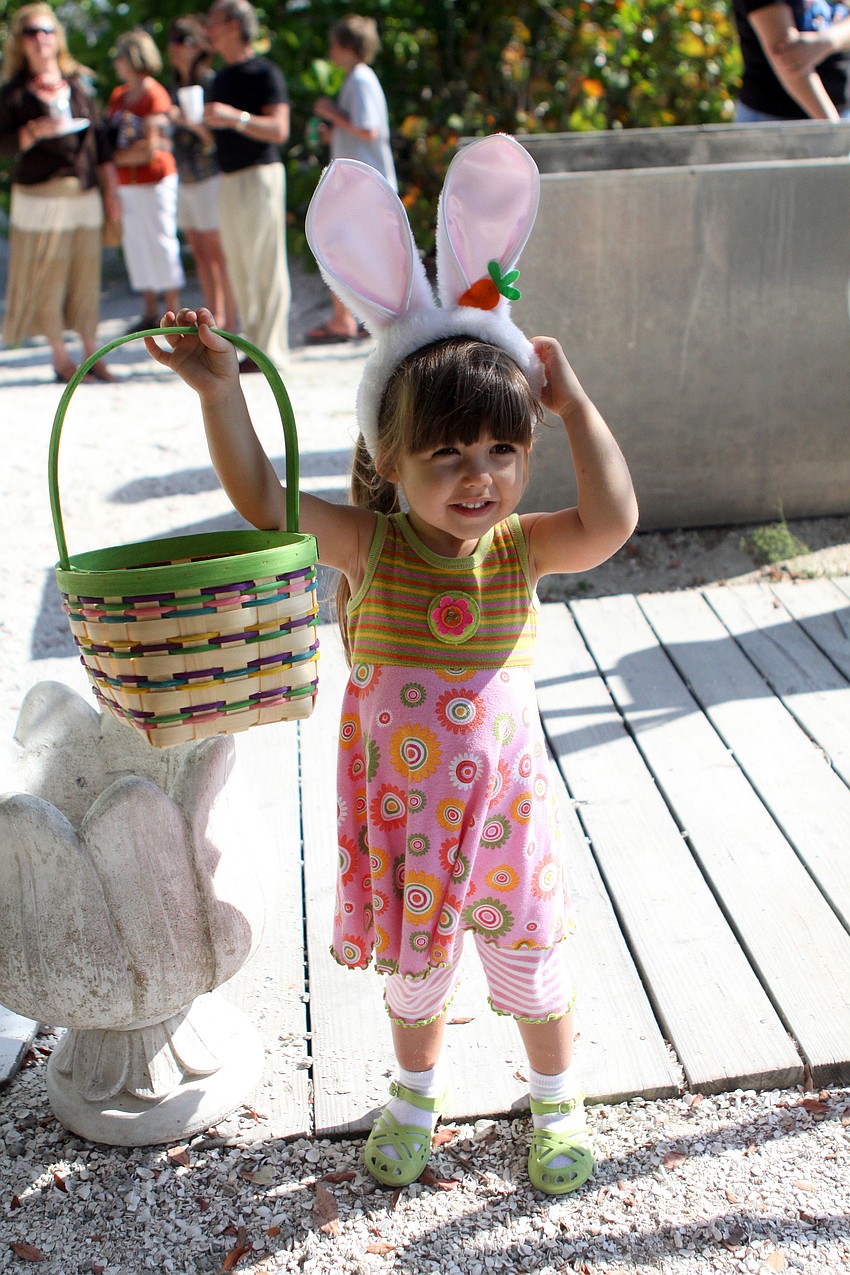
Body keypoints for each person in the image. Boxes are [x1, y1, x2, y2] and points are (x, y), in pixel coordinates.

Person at [145, 135, 638, 1195]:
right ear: (387, 460)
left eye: (501, 451)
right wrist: (220, 392)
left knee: (531, 968)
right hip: (403, 817)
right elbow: (261, 502)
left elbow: (614, 519)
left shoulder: (519, 549)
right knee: (417, 982)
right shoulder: (370, 547)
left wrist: (574, 402)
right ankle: (414, 1095)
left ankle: (556, 1098)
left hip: (502, 814)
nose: (479, 478)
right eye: (446, 455)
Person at [0, 3, 119, 383]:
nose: (41, 39)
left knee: (86, 273)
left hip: (83, 192)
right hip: (38, 195)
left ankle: (90, 353)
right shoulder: (13, 93)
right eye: (32, 32)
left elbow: (101, 143)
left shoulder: (79, 85)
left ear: (58, 36)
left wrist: (111, 193)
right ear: (19, 41)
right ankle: (59, 358)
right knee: (45, 276)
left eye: (47, 30)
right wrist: (34, 131)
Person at [203, 0, 290, 372]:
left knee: (265, 263)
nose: (207, 27)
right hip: (228, 177)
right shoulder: (220, 78)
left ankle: (271, 350)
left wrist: (235, 118)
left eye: (214, 21)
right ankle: (254, 348)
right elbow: (214, 136)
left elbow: (279, 130)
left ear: (235, 25)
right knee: (239, 265)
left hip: (260, 175)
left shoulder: (264, 73)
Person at [307, 14, 396, 344]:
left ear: (348, 46)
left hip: (366, 185)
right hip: (364, 184)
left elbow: (368, 129)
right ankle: (353, 318)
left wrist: (331, 113)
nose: (331, 51)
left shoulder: (359, 79)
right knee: (350, 250)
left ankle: (347, 319)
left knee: (341, 247)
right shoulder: (357, 78)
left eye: (334, 44)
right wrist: (335, 125)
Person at [107, 29, 184, 334]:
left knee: (162, 241)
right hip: (128, 182)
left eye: (121, 57)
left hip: (155, 180)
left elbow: (150, 148)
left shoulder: (154, 94)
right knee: (137, 244)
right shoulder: (120, 95)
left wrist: (114, 158)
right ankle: (150, 310)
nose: (116, 63)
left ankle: (173, 312)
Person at [166, 15, 237, 331]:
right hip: (183, 176)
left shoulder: (211, 83)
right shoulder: (172, 86)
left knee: (218, 252)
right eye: (175, 41)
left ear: (198, 47)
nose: (178, 49)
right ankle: (214, 317)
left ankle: (230, 321)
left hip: (210, 174)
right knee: (199, 249)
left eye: (185, 41)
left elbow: (216, 140)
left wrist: (188, 122)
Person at [732, 1, 850, 121]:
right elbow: (790, 61)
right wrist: (835, 129)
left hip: (841, 112)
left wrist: (826, 42)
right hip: (777, 120)